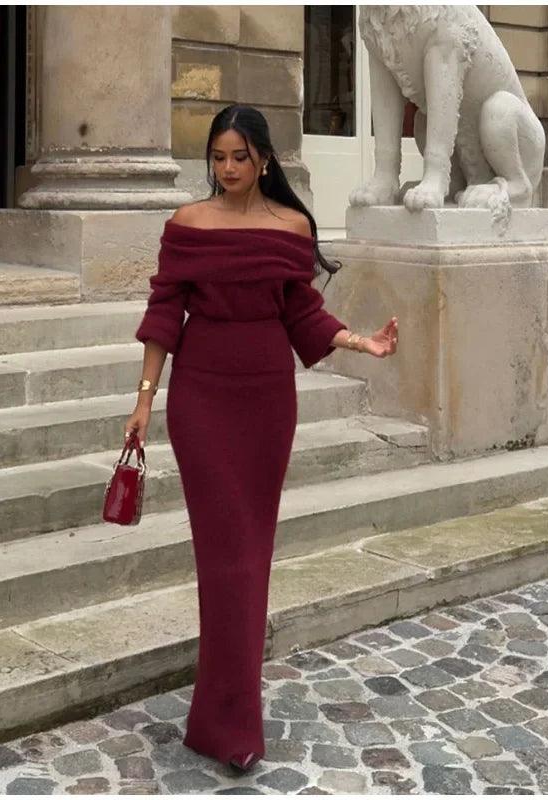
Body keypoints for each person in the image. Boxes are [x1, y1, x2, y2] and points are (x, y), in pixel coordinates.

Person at [124, 104, 398, 772]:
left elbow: (300, 309)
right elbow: (165, 310)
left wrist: (357, 340)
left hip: (267, 400)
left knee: (252, 556)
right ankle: (230, 724)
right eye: (217, 158)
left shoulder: (292, 227)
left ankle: (224, 718)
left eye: (238, 158)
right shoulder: (188, 224)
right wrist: (143, 400)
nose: (226, 170)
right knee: (227, 560)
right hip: (202, 400)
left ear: (264, 160)